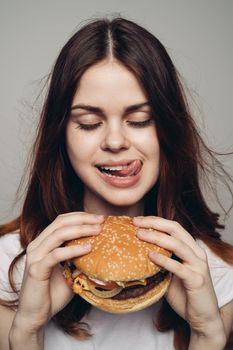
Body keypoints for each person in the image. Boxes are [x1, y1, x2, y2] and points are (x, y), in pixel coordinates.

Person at [0, 16, 233, 350]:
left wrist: (208, 335)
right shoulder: (8, 267)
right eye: (89, 123)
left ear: (168, 127)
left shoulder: (217, 275)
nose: (114, 141)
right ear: (61, 134)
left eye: (140, 120)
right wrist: (26, 331)